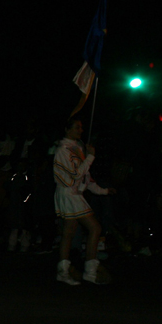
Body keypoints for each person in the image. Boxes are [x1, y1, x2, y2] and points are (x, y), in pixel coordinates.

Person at [53, 118, 116, 285]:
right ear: (67, 129)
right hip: (69, 194)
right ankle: (90, 269)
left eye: (81, 127)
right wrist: (90, 158)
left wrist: (103, 191)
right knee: (94, 227)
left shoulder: (76, 148)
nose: (81, 130)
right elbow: (76, 175)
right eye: (77, 127)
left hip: (73, 193)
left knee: (69, 232)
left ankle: (64, 271)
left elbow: (85, 179)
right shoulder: (63, 150)